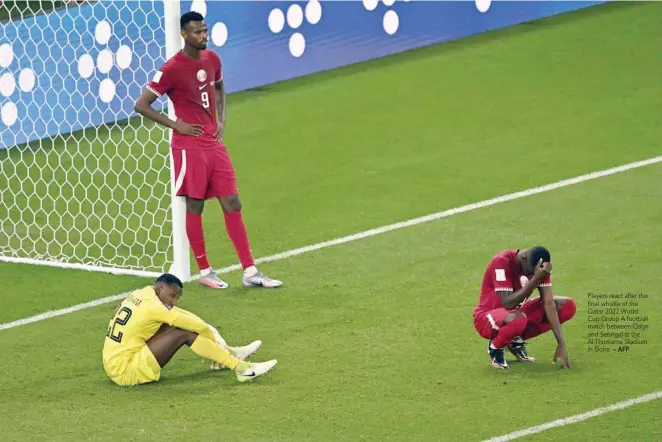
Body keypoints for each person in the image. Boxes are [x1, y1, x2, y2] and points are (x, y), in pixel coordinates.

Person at [134, 11, 281, 289]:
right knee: (196, 204)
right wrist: (176, 125)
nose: (203, 36)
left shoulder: (212, 58)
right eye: (197, 32)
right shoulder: (171, 68)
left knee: (232, 202)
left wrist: (221, 119)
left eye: (205, 30)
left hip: (213, 143)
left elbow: (219, 86)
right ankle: (205, 270)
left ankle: (250, 271)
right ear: (184, 35)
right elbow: (141, 105)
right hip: (189, 146)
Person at [102, 273, 278, 386]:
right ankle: (241, 369)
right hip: (126, 370)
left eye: (177, 297)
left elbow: (180, 314)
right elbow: (197, 326)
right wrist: (212, 336)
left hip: (114, 362)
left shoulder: (144, 293)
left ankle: (231, 354)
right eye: (172, 296)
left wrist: (215, 339)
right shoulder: (155, 307)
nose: (174, 301)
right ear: (160, 288)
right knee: (183, 332)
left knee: (173, 325)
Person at [473, 246, 577, 369]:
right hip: (486, 317)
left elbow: (548, 303)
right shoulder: (502, 261)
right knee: (519, 319)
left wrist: (561, 343)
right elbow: (507, 303)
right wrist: (535, 279)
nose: (532, 274)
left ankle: (514, 341)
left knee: (567, 306)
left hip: (515, 315)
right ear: (523, 258)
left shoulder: (540, 269)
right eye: (530, 272)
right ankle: (495, 348)